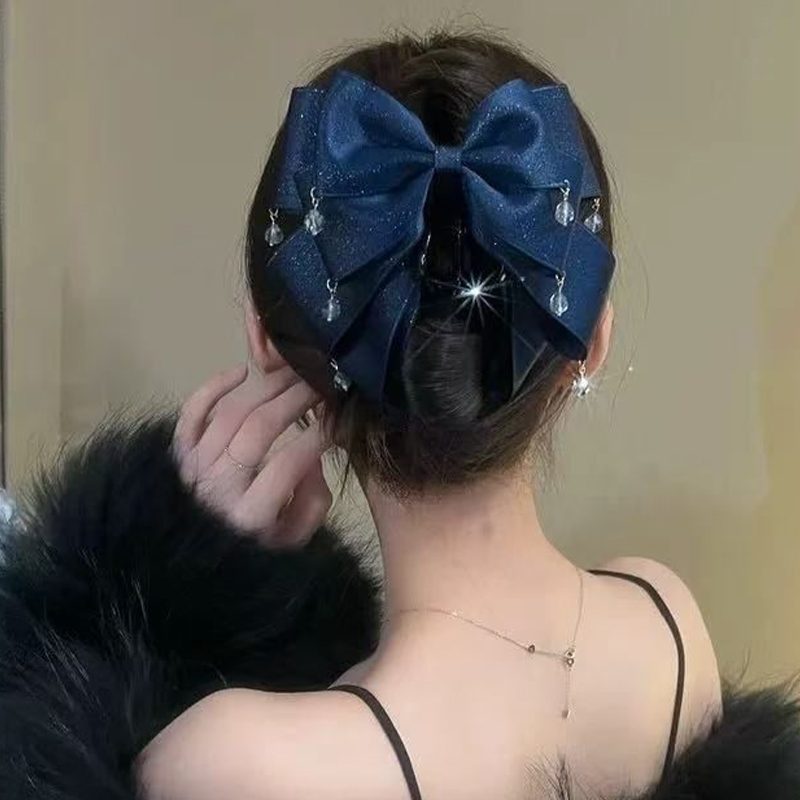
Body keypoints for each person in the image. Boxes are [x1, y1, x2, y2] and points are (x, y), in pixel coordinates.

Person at [1, 29, 799, 800]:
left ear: (270, 342)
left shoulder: (229, 764)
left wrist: (161, 575)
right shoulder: (667, 626)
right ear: (590, 342)